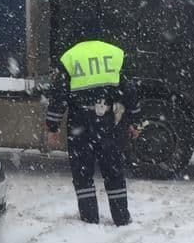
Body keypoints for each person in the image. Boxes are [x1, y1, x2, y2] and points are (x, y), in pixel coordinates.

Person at [45, 39, 141, 226]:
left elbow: (59, 94)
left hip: (80, 123)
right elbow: (130, 91)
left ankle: (89, 219)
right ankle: (121, 218)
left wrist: (53, 125)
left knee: (83, 172)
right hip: (109, 121)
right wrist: (135, 121)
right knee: (113, 171)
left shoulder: (71, 56)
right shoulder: (115, 54)